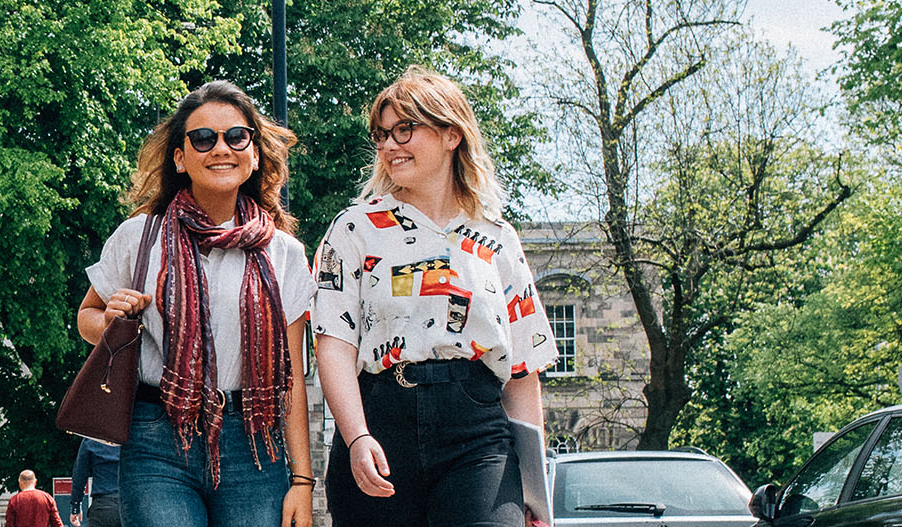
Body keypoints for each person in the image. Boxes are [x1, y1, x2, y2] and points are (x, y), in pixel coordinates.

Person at [313, 67, 559, 527]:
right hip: (379, 422)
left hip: (477, 433)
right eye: (382, 134)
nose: (389, 145)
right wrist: (356, 436)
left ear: (451, 135)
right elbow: (333, 345)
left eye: (405, 129)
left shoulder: (497, 239)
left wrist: (534, 495)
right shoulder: (353, 230)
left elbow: (523, 373)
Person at [77, 81, 317, 527]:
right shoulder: (140, 237)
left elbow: (293, 380)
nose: (220, 149)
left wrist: (302, 480)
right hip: (156, 438)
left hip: (255, 445)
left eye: (236, 136)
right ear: (180, 157)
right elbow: (86, 318)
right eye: (203, 138)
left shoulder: (283, 253)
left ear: (255, 152)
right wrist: (109, 319)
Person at [69, 439, 121, 527]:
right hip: (132, 504)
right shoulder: (134, 436)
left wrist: (76, 506)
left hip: (103, 505)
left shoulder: (91, 439)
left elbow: (80, 475)